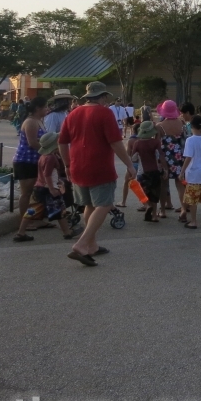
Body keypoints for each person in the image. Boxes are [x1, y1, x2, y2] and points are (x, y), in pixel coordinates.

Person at [58, 82, 136, 266]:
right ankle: (82, 243)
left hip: (77, 166)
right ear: (102, 97)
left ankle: (91, 245)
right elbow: (116, 143)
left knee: (89, 205)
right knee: (105, 203)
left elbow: (61, 142)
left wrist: (67, 165)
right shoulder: (104, 112)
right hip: (99, 166)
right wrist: (129, 165)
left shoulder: (73, 113)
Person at [12, 132, 79, 243]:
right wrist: (52, 188)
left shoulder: (43, 157)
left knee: (32, 210)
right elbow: (47, 174)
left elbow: (42, 174)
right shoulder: (51, 158)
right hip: (48, 188)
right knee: (60, 210)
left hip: (40, 187)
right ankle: (67, 233)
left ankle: (21, 232)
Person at [13, 96, 49, 218]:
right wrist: (48, 151)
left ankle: (36, 218)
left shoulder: (39, 120)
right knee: (26, 192)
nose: (48, 109)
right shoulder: (31, 122)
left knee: (35, 192)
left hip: (35, 161)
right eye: (45, 107)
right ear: (38, 108)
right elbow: (32, 142)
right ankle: (25, 220)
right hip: (25, 161)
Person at [128, 120, 167, 221]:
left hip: (142, 172)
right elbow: (161, 156)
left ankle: (146, 205)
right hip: (155, 171)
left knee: (143, 191)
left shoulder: (137, 143)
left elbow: (133, 158)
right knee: (155, 193)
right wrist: (165, 169)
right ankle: (154, 215)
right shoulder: (156, 142)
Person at [156, 100, 187, 220]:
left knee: (163, 185)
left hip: (165, 158)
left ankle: (163, 210)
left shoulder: (160, 126)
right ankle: (184, 209)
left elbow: (158, 145)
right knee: (180, 185)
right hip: (180, 157)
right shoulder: (182, 123)